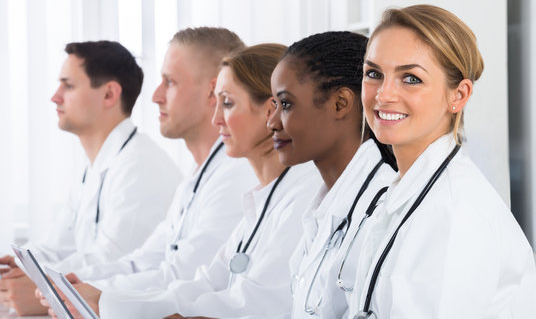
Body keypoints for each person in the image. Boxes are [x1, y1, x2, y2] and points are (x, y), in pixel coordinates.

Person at [44, 44, 323, 319]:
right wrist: (100, 297)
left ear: (270, 111)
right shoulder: (257, 195)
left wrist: (107, 302)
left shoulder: (294, 191)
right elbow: (205, 282)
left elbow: (248, 304)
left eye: (227, 103)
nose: (217, 120)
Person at [346, 4, 536, 318]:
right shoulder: (405, 189)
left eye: (410, 78)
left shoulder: (457, 213)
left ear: (458, 96)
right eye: (374, 73)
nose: (383, 94)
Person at [56, 28, 257, 295]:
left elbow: (184, 277)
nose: (155, 96)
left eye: (170, 81)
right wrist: (67, 283)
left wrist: (93, 293)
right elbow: (145, 260)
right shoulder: (196, 179)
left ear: (214, 92)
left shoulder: (237, 176)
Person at [0, 40, 181, 315]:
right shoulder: (95, 167)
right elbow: (56, 245)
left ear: (109, 94)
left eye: (68, 86)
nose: (55, 97)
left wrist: (39, 286)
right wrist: (18, 268)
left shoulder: (142, 166)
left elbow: (113, 258)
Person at [266, 31, 396, 318]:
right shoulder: (324, 210)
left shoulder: (385, 210)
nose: (273, 123)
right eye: (274, 105)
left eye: (286, 104)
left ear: (340, 103)